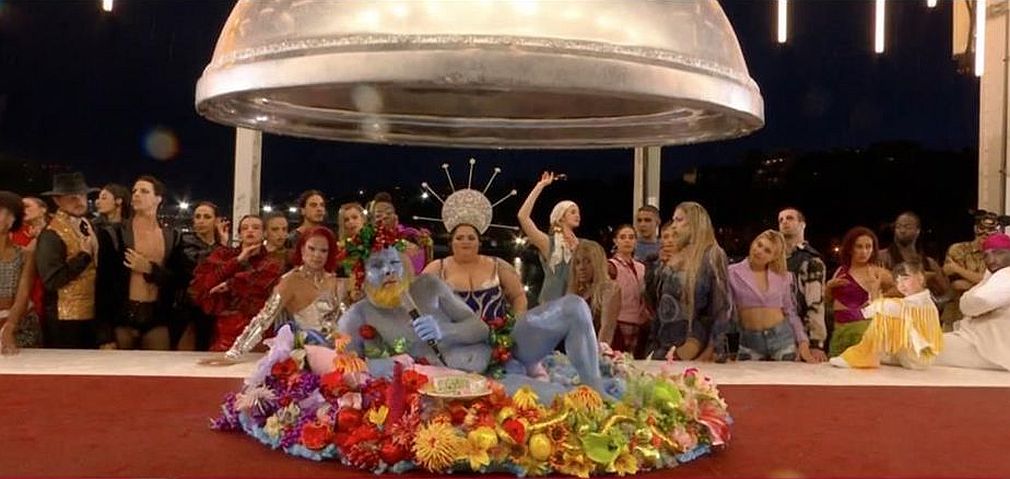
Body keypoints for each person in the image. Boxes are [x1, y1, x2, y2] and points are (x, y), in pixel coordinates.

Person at [338, 226, 610, 401]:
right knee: (561, 399)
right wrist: (389, 365)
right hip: (468, 384)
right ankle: (588, 400)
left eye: (394, 263)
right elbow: (342, 370)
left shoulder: (428, 285)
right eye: (377, 265)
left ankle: (595, 387)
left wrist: (445, 330)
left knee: (574, 305)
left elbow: (479, 328)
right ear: (361, 273)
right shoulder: (357, 316)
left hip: (500, 350)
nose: (388, 271)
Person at [209, 227, 347, 360]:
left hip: (336, 352)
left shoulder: (334, 281)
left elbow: (345, 320)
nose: (317, 255)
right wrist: (236, 351)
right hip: (304, 355)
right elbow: (263, 319)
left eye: (323, 250)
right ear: (302, 249)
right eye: (312, 248)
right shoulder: (290, 281)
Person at [96, 176, 185, 350]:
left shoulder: (172, 237)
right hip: (122, 317)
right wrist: (104, 335)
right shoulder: (114, 234)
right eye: (134, 191)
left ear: (158, 199)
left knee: (158, 366)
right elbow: (102, 285)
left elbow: (179, 280)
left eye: (144, 191)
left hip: (156, 317)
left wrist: (150, 269)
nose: (136, 194)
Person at [644, 202, 732, 361]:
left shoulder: (712, 254)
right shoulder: (672, 253)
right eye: (673, 220)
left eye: (679, 220)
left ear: (695, 223)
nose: (674, 226)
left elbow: (721, 306)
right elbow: (655, 301)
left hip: (693, 339)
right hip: (662, 337)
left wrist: (712, 348)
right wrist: (657, 266)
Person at [34, 172, 113, 349]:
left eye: (82, 195)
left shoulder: (88, 225)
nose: (79, 200)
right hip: (64, 320)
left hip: (92, 316)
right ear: (57, 200)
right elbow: (52, 280)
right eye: (71, 197)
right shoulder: (51, 234)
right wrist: (83, 257)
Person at [189, 215, 285, 351]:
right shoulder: (224, 255)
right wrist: (237, 260)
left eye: (256, 228)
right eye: (245, 228)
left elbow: (263, 284)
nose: (250, 231)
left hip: (260, 329)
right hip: (226, 329)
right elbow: (203, 284)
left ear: (264, 233)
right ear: (239, 234)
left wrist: (231, 284)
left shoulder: (273, 262)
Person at [830, 261, 943, 369]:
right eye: (898, 281)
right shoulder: (921, 301)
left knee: (884, 317)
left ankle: (864, 356)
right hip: (914, 355)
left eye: (905, 279)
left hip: (919, 357)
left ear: (920, 278)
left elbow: (875, 310)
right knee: (888, 314)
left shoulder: (919, 303)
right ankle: (873, 355)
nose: (901, 285)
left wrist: (874, 291)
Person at [728, 230, 819, 363]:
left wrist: (803, 342)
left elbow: (791, 313)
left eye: (767, 251)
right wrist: (715, 345)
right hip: (750, 343)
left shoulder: (783, 277)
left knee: (787, 377)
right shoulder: (731, 272)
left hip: (782, 340)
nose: (759, 251)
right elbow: (724, 311)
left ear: (774, 257)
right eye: (759, 244)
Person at [933, 233, 1010, 371]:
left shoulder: (1006, 274)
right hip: (984, 346)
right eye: (986, 255)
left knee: (920, 348)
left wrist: (970, 297)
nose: (991, 260)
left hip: (988, 348)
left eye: (998, 253)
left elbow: (978, 302)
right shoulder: (993, 276)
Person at [421, 224, 526, 323]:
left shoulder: (498, 265)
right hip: (451, 334)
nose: (465, 242)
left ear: (479, 243)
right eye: (459, 238)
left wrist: (515, 324)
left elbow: (518, 296)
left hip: (495, 334)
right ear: (451, 242)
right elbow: (418, 300)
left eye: (471, 238)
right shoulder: (437, 267)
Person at [825, 226, 894, 357]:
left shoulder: (877, 272)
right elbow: (827, 302)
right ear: (850, 248)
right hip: (839, 331)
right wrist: (828, 287)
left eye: (868, 247)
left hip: (863, 331)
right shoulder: (841, 271)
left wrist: (877, 296)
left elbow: (900, 292)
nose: (864, 251)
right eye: (859, 247)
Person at [517, 171, 581, 306]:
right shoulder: (549, 243)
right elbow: (523, 216)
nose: (578, 216)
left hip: (573, 305)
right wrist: (540, 186)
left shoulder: (580, 245)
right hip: (551, 305)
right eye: (573, 212)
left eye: (578, 213)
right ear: (561, 217)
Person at [176, 201, 229, 350]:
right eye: (198, 216)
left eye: (207, 217)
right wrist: (222, 246)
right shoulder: (185, 242)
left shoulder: (220, 246)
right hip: (188, 308)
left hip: (213, 308)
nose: (201, 220)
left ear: (216, 221)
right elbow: (199, 265)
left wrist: (222, 245)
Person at [778, 207, 828, 357]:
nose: (784, 222)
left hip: (800, 338)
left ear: (802, 224)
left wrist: (816, 343)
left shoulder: (811, 260)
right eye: (781, 220)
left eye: (790, 218)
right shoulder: (774, 258)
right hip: (775, 334)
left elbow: (815, 304)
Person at [941, 210, 1004, 328]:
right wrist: (982, 283)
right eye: (982, 228)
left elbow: (995, 283)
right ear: (975, 228)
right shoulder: (958, 249)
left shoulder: (1000, 255)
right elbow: (955, 284)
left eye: (990, 229)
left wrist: (958, 269)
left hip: (986, 318)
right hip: (955, 314)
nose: (985, 234)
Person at [0, 191, 41, 353]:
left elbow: (23, 295)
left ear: (13, 219)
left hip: (19, 326)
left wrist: (9, 328)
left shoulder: (25, 255)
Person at [878, 212, 950, 303]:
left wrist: (934, 278)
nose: (902, 230)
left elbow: (945, 291)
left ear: (917, 231)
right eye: (898, 227)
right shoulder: (882, 257)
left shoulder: (929, 262)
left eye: (907, 227)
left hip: (923, 309)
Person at [607, 225, 649, 355]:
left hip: (639, 322)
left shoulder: (641, 267)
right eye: (623, 237)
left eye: (631, 237)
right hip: (619, 321)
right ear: (615, 241)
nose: (627, 241)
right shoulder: (611, 266)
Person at [569, 240, 620, 344]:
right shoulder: (576, 292)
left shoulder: (609, 289)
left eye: (588, 261)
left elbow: (606, 329)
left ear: (597, 263)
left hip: (603, 347)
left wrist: (596, 353)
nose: (582, 267)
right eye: (577, 263)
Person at [370, 192, 432, 275]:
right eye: (378, 215)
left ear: (396, 217)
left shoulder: (410, 239)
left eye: (388, 213)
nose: (384, 217)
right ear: (372, 220)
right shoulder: (365, 243)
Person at [11, 197, 48, 329]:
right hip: (25, 289)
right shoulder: (13, 232)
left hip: (49, 288)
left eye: (27, 206)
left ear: (43, 209)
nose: (22, 210)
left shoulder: (55, 229)